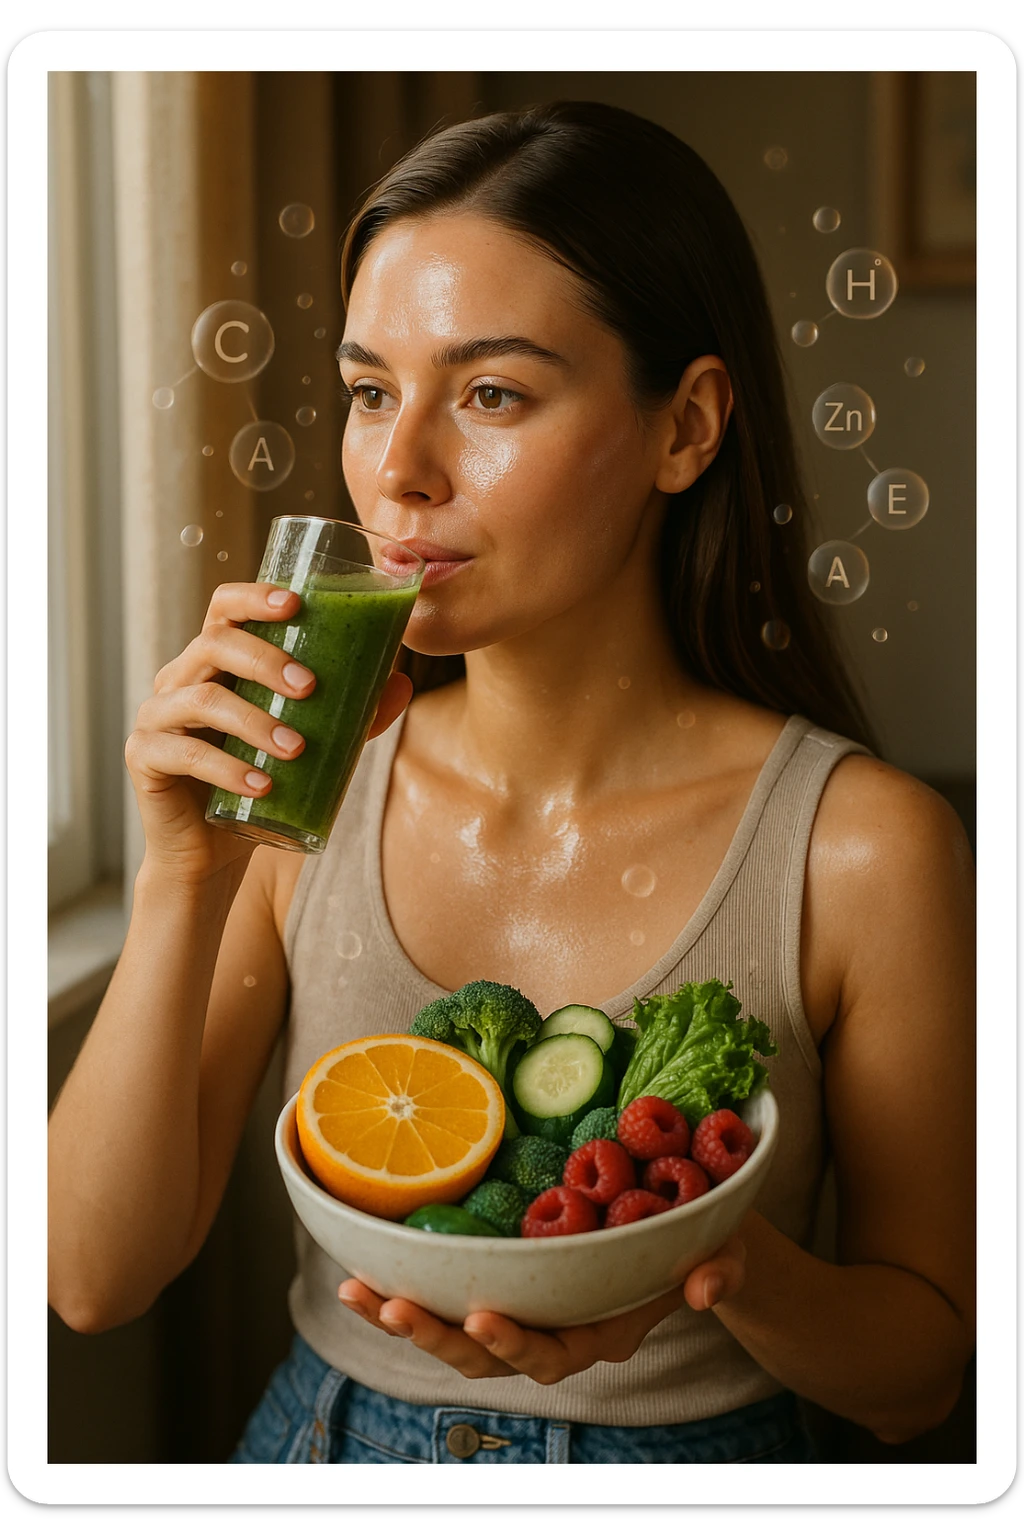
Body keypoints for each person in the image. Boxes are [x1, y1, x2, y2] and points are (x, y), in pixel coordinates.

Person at [48, 101, 975, 1466]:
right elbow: (90, 1278)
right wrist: (186, 875)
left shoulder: (863, 850)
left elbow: (918, 1384)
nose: (399, 470)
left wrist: (712, 1266)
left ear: (688, 427)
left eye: (490, 394)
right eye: (372, 391)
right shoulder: (309, 793)